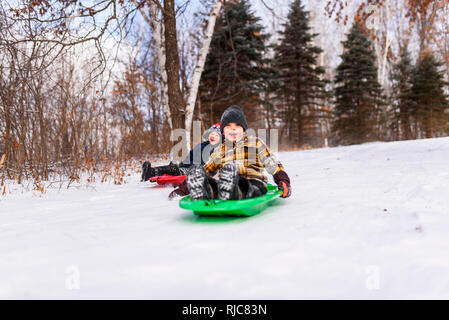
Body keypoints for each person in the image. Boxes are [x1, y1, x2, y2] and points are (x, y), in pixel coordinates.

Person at [186, 105, 291, 200]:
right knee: (214, 184)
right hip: (225, 184)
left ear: (244, 129)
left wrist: (283, 180)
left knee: (252, 189)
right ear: (222, 131)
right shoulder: (220, 150)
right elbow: (208, 170)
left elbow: (272, 163)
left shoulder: (255, 143)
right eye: (228, 126)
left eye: (237, 125)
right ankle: (205, 191)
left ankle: (234, 192)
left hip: (253, 182)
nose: (233, 128)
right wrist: (188, 185)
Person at [141, 123, 221, 181]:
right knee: (171, 168)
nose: (213, 136)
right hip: (187, 163)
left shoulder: (218, 149)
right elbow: (191, 154)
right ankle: (150, 172)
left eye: (217, 135)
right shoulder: (202, 144)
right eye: (212, 134)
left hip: (197, 169)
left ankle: (177, 171)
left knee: (178, 170)